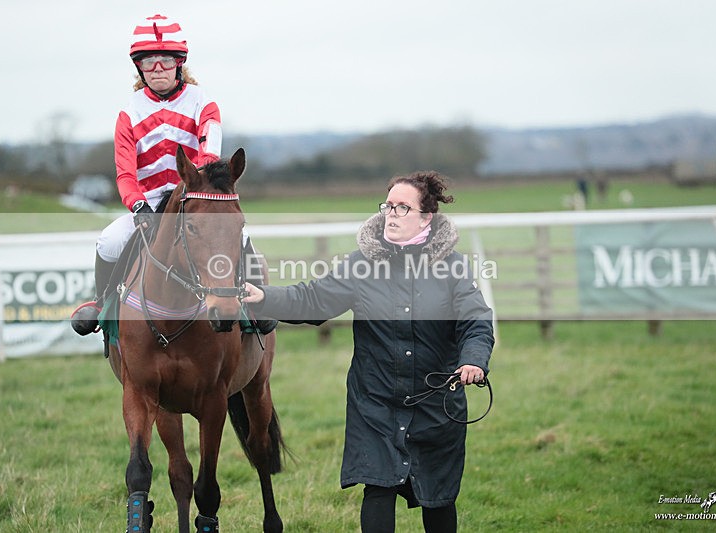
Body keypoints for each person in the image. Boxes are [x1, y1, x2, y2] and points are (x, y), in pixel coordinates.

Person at [243, 171, 494, 533]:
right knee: (377, 487)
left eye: (402, 207)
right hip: (375, 404)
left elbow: (476, 322)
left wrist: (473, 360)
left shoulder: (454, 267)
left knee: (438, 498)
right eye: (388, 205)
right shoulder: (360, 264)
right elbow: (312, 299)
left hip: (437, 406)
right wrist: (266, 296)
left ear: (427, 217)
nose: (390, 213)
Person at [71, 14, 275, 336]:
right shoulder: (128, 113)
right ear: (139, 67)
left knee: (243, 238)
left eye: (165, 60)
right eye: (149, 62)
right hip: (150, 205)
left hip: (196, 197)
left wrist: (193, 193)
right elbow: (125, 174)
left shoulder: (204, 103)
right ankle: (101, 303)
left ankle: (256, 304)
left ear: (179, 62)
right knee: (108, 242)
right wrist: (139, 206)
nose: (157, 69)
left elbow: (208, 158)